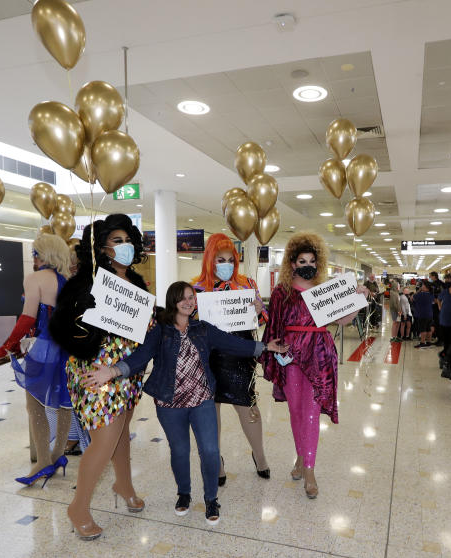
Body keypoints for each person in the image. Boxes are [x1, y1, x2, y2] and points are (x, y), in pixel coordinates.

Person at [85, 282, 288, 526]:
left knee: (210, 451)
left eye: (191, 297)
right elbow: (141, 357)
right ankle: (184, 493)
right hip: (170, 404)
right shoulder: (161, 331)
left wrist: (266, 346)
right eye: (183, 298)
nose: (189, 302)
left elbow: (234, 344)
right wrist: (113, 371)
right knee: (179, 451)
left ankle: (212, 498)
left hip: (202, 400)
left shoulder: (203, 329)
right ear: (173, 301)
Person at [49, 214, 148, 540]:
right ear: (102, 247)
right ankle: (78, 506)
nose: (125, 247)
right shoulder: (86, 281)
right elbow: (61, 327)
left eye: (128, 240)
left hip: (128, 370)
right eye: (117, 241)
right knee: (104, 440)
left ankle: (124, 483)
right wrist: (87, 317)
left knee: (121, 433)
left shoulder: (136, 281)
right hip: (95, 371)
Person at [260, 232, 368, 498]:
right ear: (292, 263)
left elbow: (343, 320)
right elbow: (272, 324)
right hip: (292, 358)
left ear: (317, 264)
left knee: (310, 413)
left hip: (319, 357)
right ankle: (301, 457)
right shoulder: (281, 292)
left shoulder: (324, 292)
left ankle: (309, 469)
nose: (306, 265)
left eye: (311, 261)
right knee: (297, 412)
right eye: (301, 261)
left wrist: (357, 300)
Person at [0, 234, 73, 487]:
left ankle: (43, 461)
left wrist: (5, 347)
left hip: (44, 349)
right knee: (64, 404)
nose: (33, 257)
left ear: (42, 254)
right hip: (68, 350)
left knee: (35, 407)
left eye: (34, 252)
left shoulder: (34, 279)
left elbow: (27, 318)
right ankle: (58, 456)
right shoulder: (67, 281)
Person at [191, 233, 271, 483]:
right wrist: (191, 312)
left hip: (238, 352)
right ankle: (216, 461)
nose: (225, 264)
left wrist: (260, 310)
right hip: (209, 355)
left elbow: (260, 320)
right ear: (209, 260)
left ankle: (259, 455)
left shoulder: (247, 284)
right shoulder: (197, 287)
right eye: (219, 260)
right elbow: (187, 324)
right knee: (209, 411)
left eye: (229, 259)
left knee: (248, 406)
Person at [411, 280, 435, 348]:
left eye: (422, 285)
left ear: (425, 287)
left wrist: (419, 290)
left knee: (422, 329)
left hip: (421, 314)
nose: (421, 286)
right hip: (430, 314)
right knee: (428, 329)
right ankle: (429, 342)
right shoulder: (431, 294)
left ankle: (422, 342)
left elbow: (412, 298)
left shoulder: (420, 294)